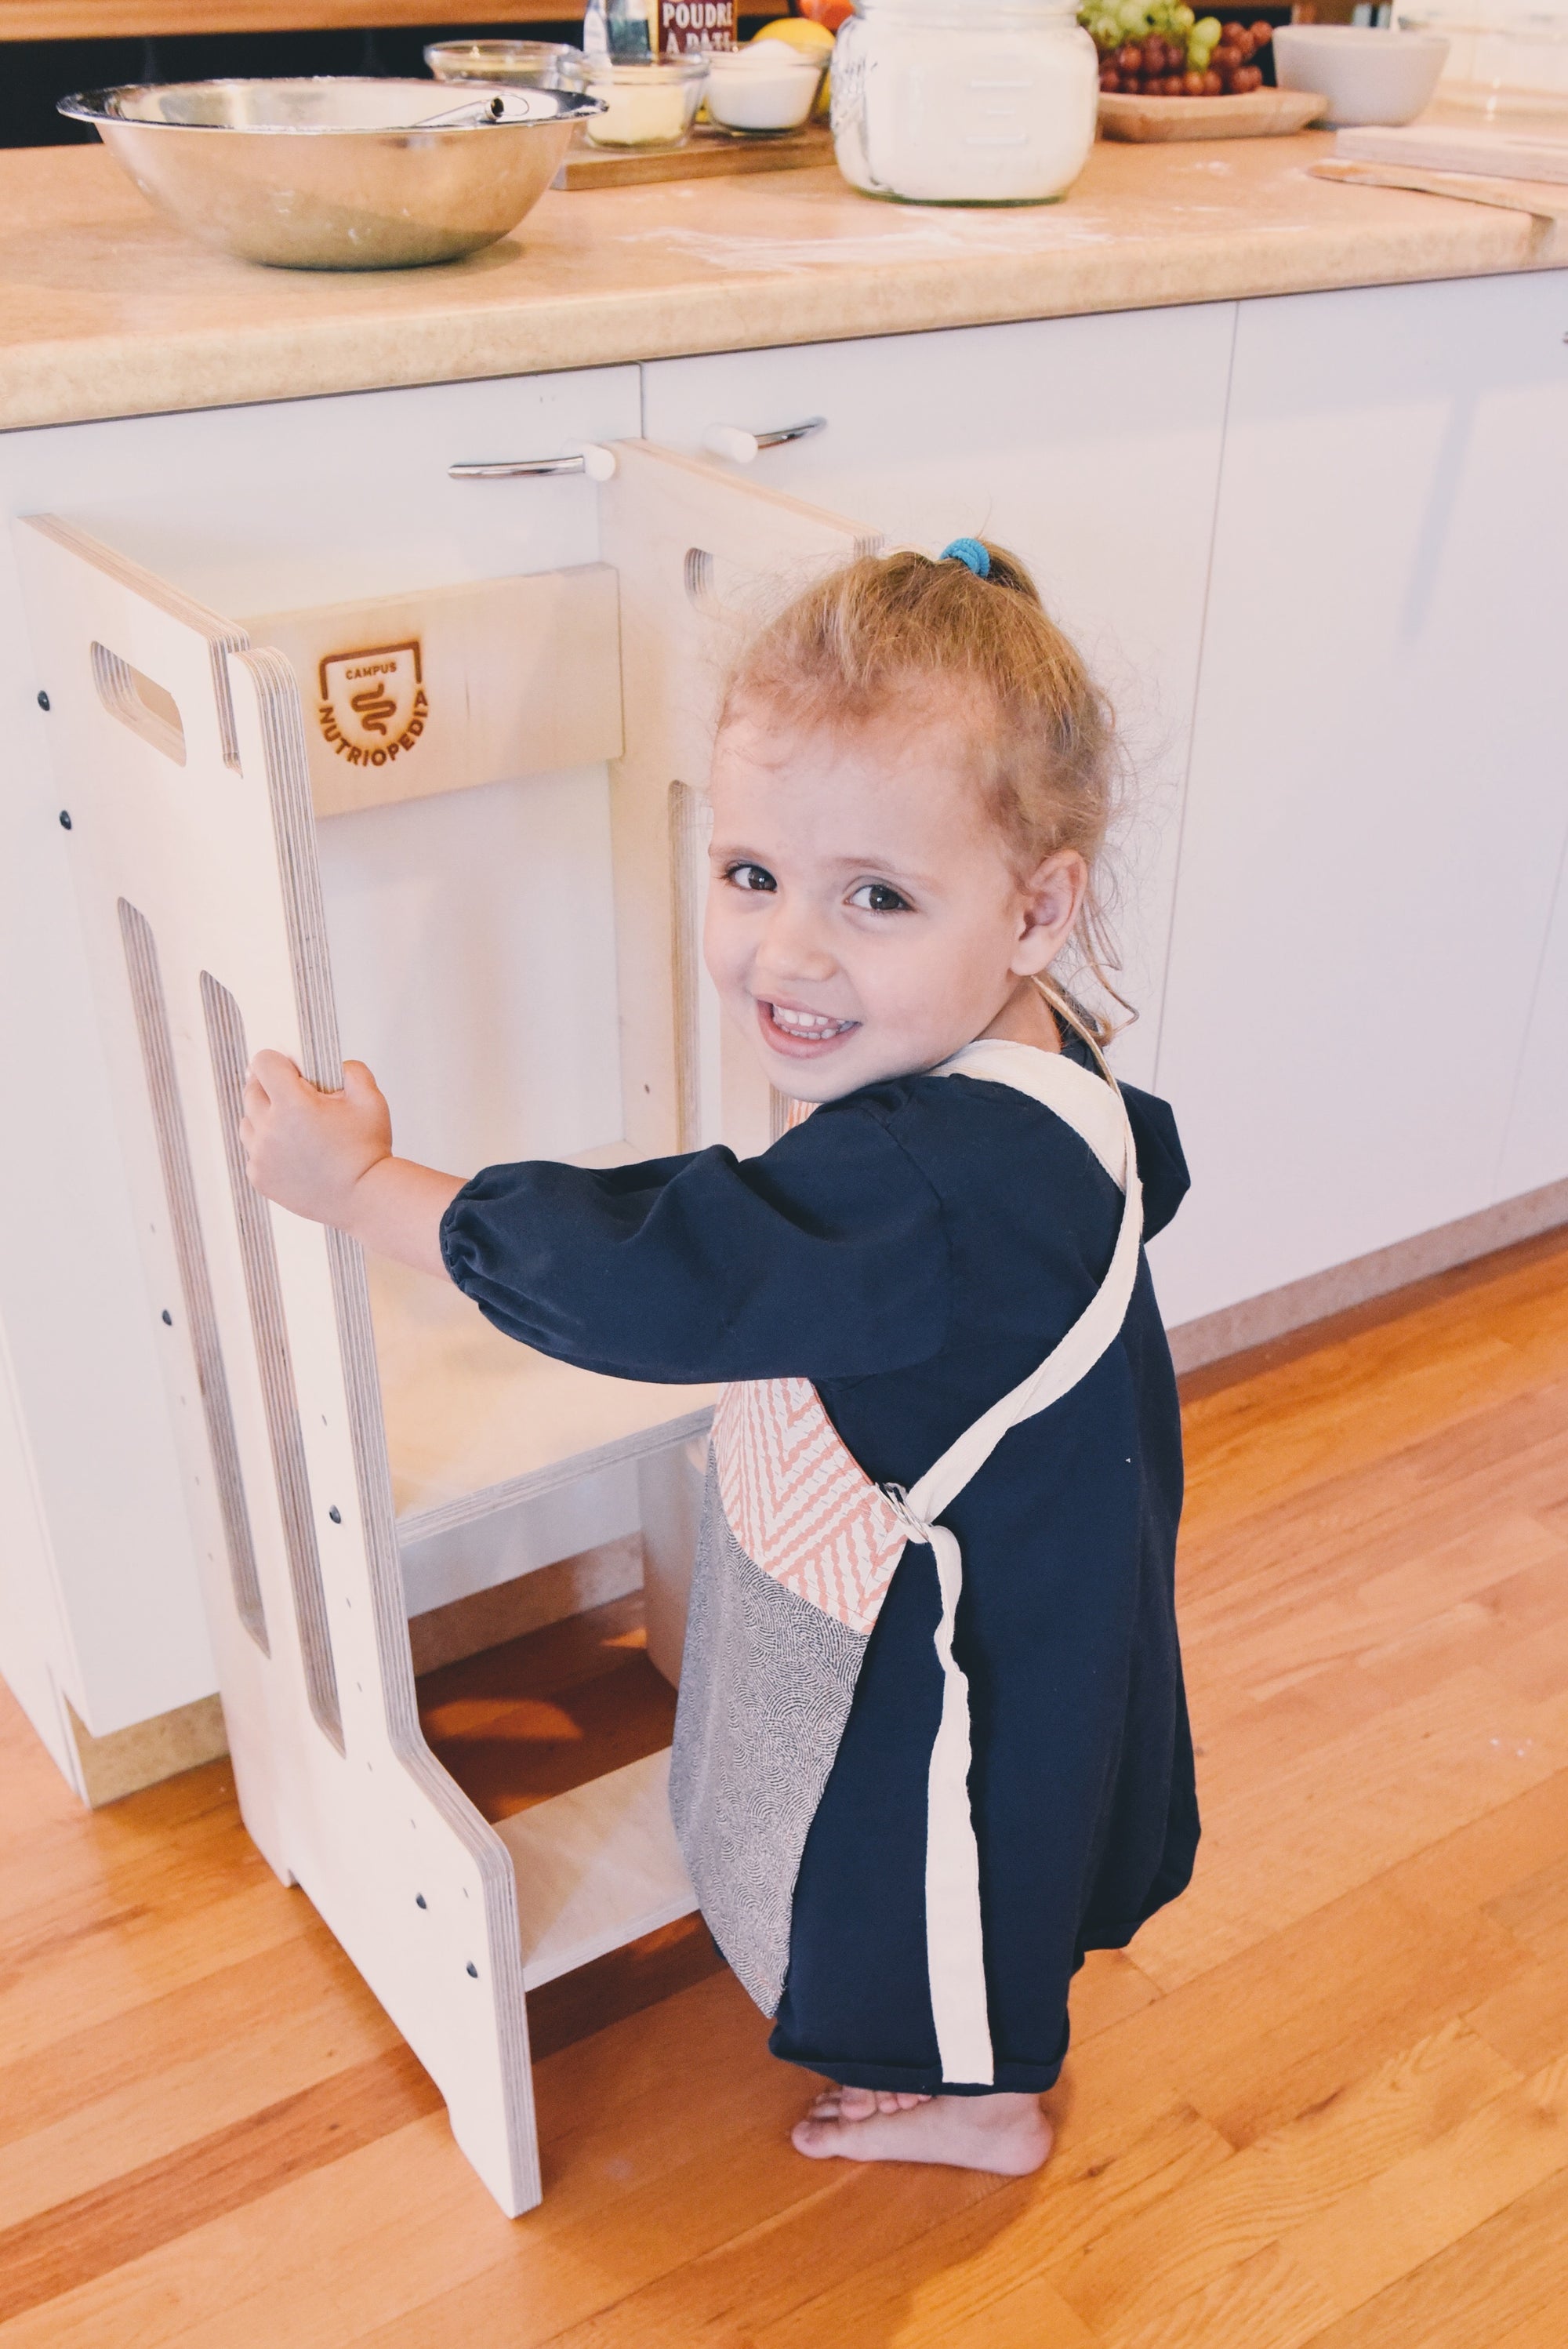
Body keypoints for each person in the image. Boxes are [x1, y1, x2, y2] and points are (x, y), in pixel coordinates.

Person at [241, 537, 1198, 2178]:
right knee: (1015, 1807)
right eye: (750, 872)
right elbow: (1150, 1169)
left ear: (1039, 907)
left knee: (919, 1851)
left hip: (960, 1594)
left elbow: (671, 1272)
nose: (789, 954)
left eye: (874, 898)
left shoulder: (916, 1178)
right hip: (1061, 1521)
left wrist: (370, 1192)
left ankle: (980, 2098)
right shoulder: (1042, 1056)